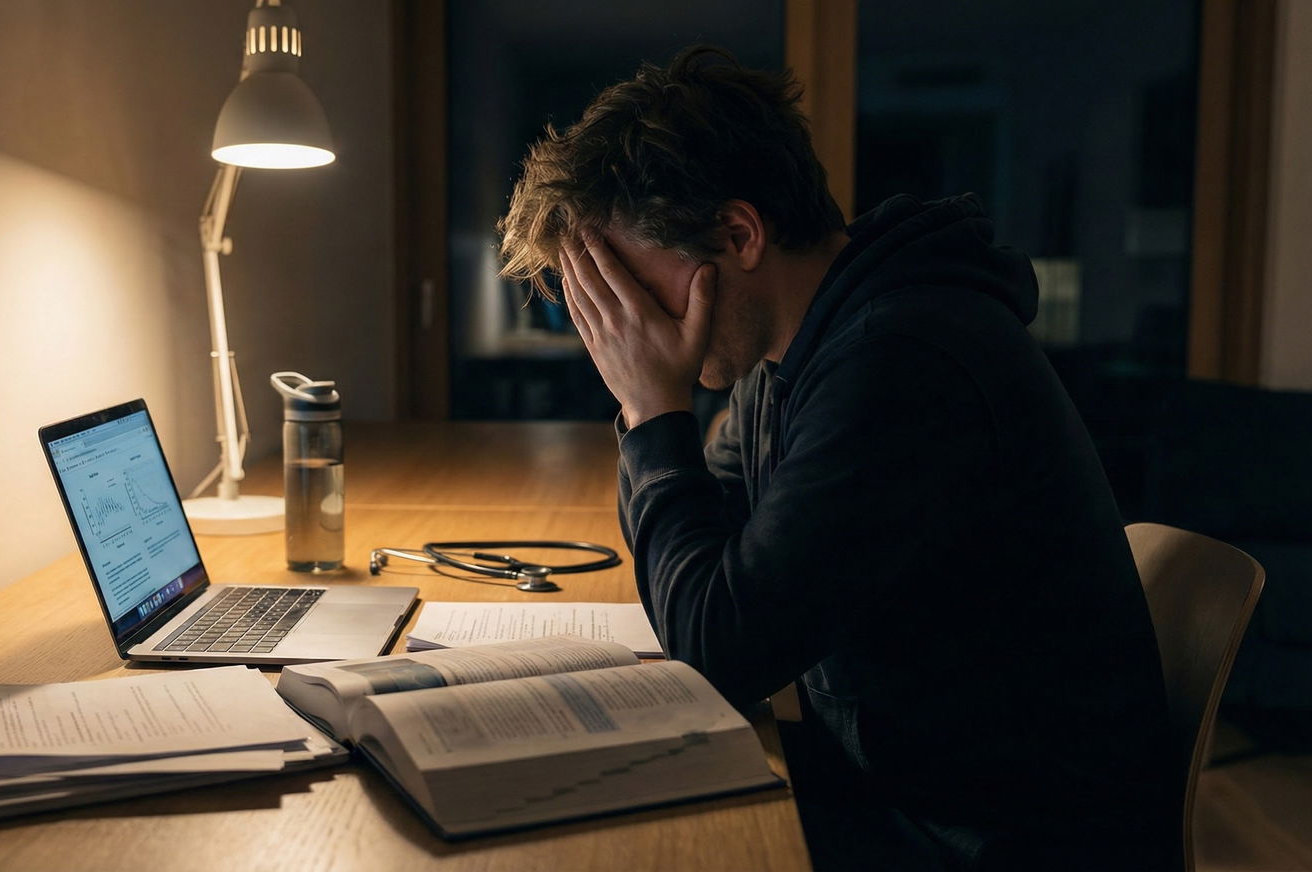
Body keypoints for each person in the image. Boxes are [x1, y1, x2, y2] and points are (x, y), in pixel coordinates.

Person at [497, 46, 1175, 871]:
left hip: (992, 841)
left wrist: (649, 408)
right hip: (903, 794)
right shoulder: (798, 353)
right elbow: (720, 561)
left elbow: (715, 652)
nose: (620, 323)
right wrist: (660, 423)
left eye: (630, 286)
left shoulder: (904, 358)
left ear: (738, 234)